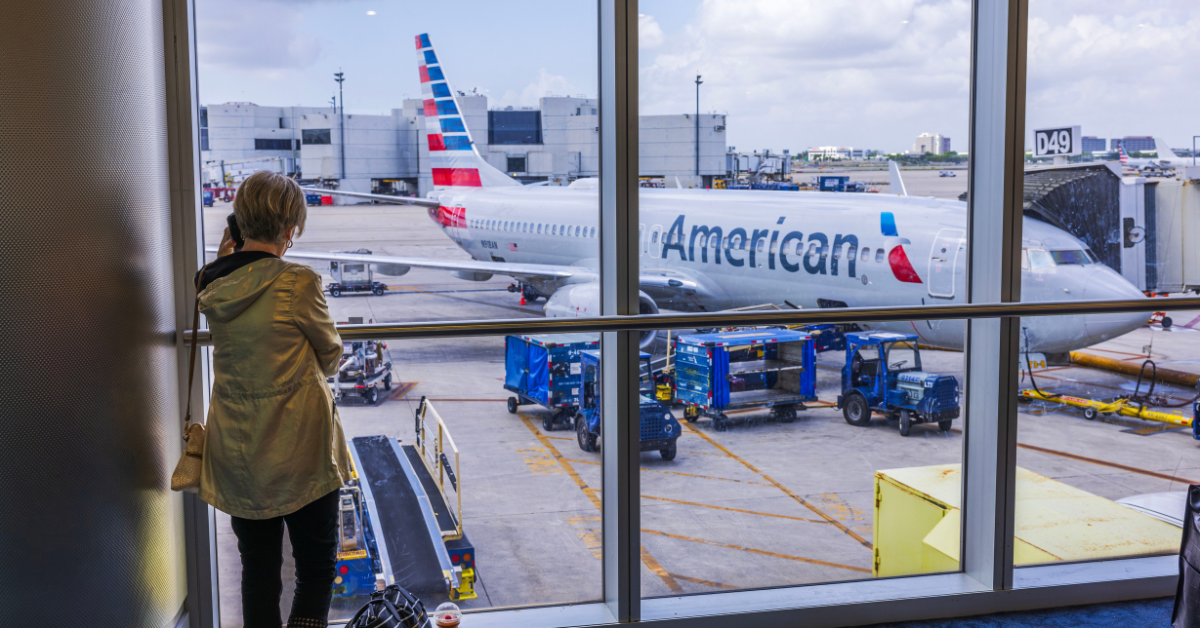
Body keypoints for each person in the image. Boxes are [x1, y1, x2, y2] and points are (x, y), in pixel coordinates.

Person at [197, 170, 350, 628]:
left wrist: (230, 252)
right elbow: (331, 355)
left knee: (259, 573)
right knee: (316, 569)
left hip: (239, 453)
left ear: (238, 223)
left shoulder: (209, 283)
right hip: (301, 450)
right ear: (291, 228)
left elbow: (227, 274)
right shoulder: (297, 283)